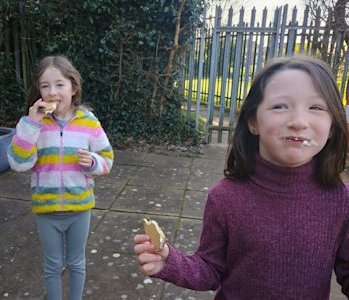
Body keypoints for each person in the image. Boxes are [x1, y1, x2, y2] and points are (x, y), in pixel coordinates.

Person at [134, 55, 349, 299]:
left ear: (332, 127)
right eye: (280, 106)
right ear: (253, 122)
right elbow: (211, 270)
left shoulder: (341, 201)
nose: (299, 122)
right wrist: (168, 262)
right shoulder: (225, 197)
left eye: (316, 107)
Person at [7, 55, 114, 300]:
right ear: (38, 91)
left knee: (77, 262)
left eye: (59, 85)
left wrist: (93, 163)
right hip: (47, 210)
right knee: (53, 266)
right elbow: (18, 163)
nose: (52, 92)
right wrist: (30, 125)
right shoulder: (32, 125)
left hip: (80, 208)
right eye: (45, 86)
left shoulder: (89, 121)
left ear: (73, 88)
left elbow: (107, 158)